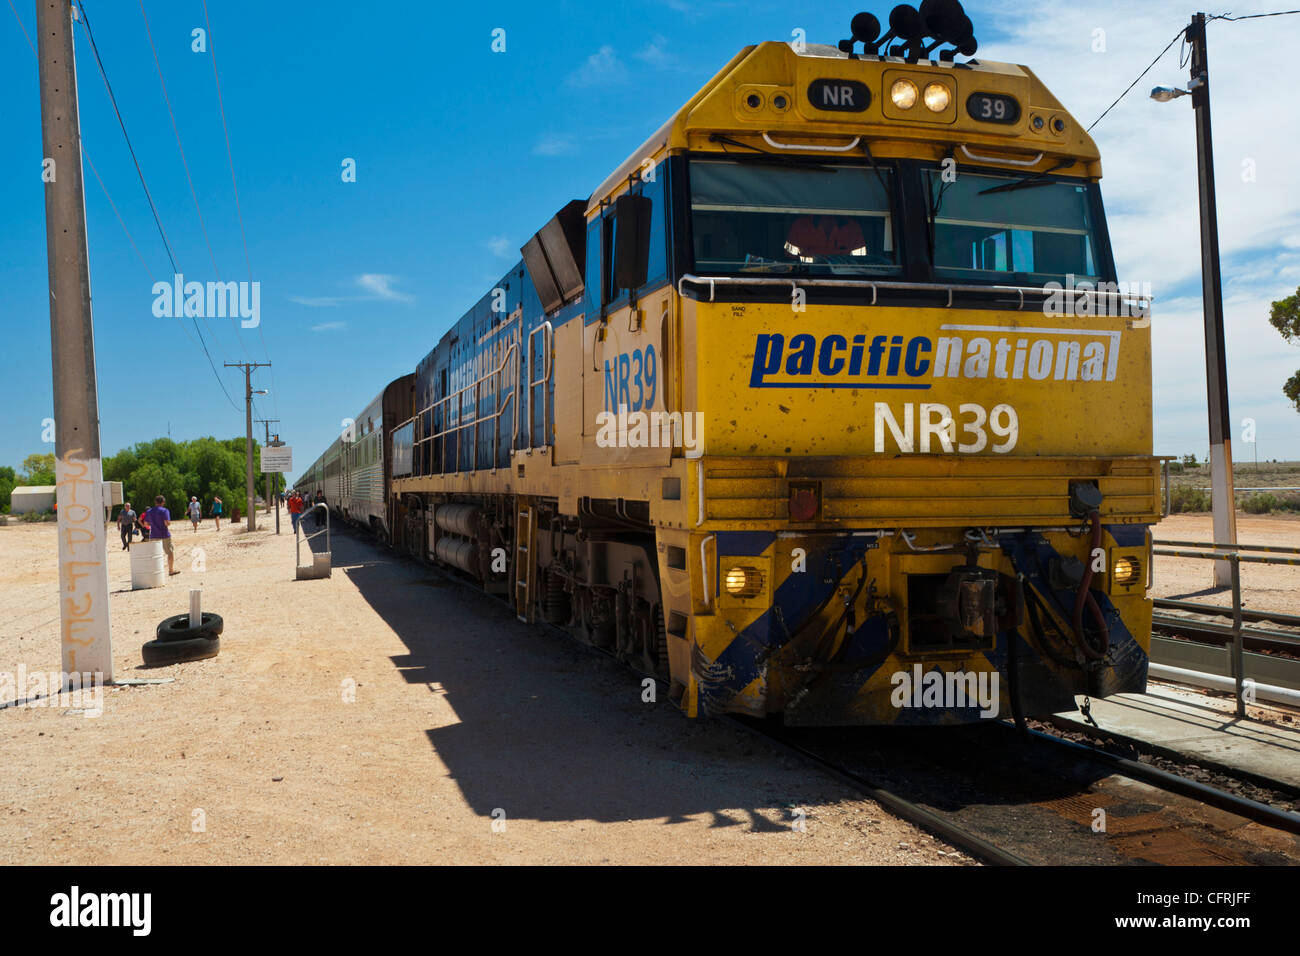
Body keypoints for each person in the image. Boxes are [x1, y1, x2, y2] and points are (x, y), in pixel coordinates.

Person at [144, 495, 177, 576]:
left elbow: (146, 524)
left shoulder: (149, 511)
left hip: (153, 535)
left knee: (154, 555)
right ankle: (171, 570)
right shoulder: (165, 511)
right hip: (164, 534)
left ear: (155, 502)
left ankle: (154, 572)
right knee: (170, 552)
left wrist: (153, 525)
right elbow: (167, 523)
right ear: (163, 502)